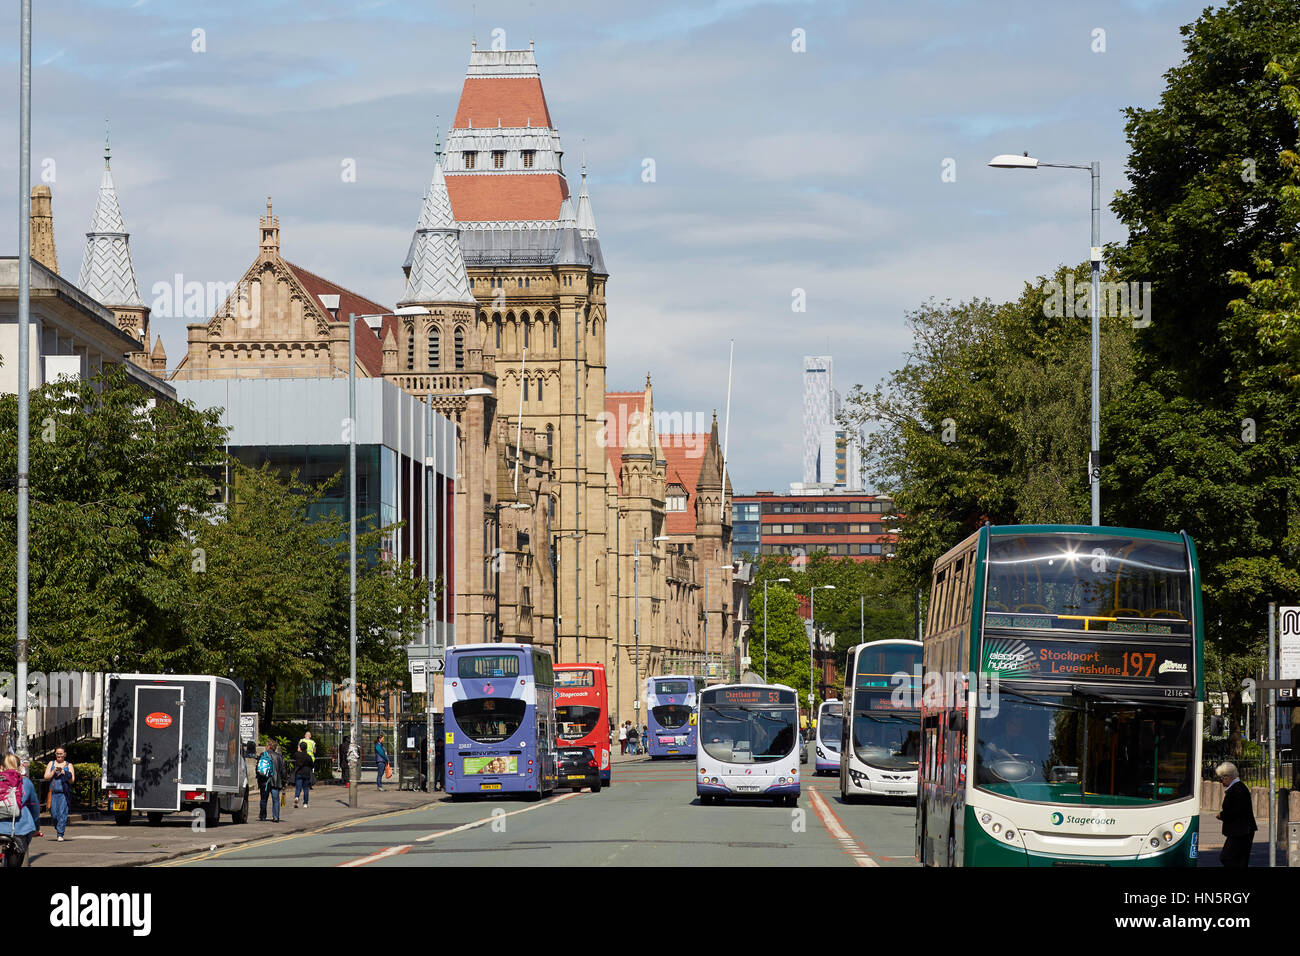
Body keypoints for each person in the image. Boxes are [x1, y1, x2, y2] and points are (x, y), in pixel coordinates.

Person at [1, 754, 40, 867]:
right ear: (19, 767)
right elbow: (34, 807)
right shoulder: (25, 782)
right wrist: (36, 828)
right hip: (19, 828)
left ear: (2, 767)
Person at [1215, 761, 1256, 867]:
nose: (1221, 782)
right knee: (1237, 859)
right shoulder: (1237, 788)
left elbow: (1237, 810)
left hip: (1241, 831)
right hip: (1241, 830)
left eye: (1221, 778)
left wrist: (1222, 815)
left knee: (1228, 858)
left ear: (1227, 777)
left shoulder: (1237, 789)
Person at [43, 747, 75, 841]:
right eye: (58, 754)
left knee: (62, 813)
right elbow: (46, 777)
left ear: (64, 754)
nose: (59, 755)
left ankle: (60, 833)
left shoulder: (69, 765)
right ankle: (58, 827)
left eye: (61, 754)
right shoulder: (51, 763)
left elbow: (72, 780)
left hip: (64, 794)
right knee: (54, 815)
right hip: (53, 793)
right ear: (55, 754)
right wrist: (53, 771)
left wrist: (64, 772)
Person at [258, 740, 286, 823]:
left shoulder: (263, 755)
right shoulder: (279, 757)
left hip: (264, 780)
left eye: (266, 745)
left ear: (269, 746)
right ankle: (276, 816)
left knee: (263, 799)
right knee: (276, 800)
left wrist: (259, 779)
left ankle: (263, 816)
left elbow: (258, 768)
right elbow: (283, 771)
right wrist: (284, 782)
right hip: (276, 781)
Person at [292, 742, 313, 809]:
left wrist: (298, 751)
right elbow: (312, 765)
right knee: (306, 788)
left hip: (299, 772)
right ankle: (305, 803)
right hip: (306, 773)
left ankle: (297, 797)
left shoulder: (297, 754)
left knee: (298, 787)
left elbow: (293, 758)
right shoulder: (308, 756)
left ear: (300, 747)